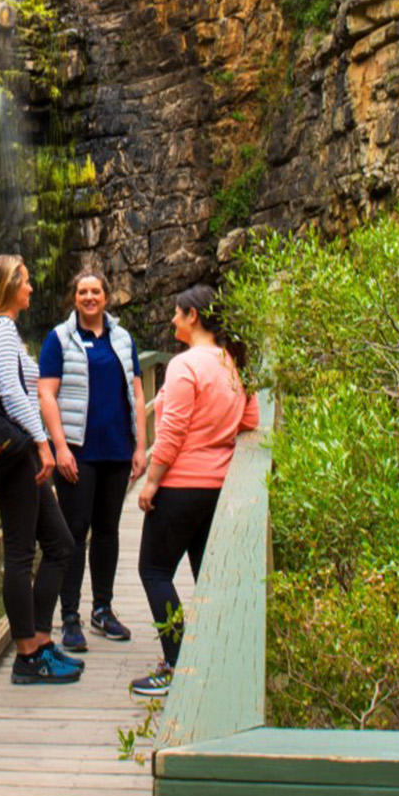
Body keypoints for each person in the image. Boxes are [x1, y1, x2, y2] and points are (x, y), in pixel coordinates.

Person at [129, 284, 257, 698]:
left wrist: (151, 483)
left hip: (181, 484)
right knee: (206, 575)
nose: (171, 321)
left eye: (177, 314)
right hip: (217, 486)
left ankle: (176, 664)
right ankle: (219, 663)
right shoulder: (230, 363)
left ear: (193, 317)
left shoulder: (185, 367)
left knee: (153, 571)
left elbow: (172, 433)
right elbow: (250, 418)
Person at [0, 253, 84, 685]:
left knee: (59, 544)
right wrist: (44, 444)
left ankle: (40, 642)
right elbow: (15, 396)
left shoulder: (1, 330)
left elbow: (31, 381)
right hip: (17, 455)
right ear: (8, 286)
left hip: (20, 455)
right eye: (26, 282)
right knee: (20, 554)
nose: (32, 289)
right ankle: (27, 657)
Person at [36, 270, 146, 653]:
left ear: (106, 296)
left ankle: (103, 608)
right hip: (78, 455)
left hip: (116, 450)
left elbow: (135, 388)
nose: (89, 297)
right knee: (73, 533)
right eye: (82, 291)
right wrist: (60, 447)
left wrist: (141, 446)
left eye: (95, 291)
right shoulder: (59, 339)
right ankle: (70, 617)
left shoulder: (121, 338)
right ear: (74, 298)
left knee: (108, 531)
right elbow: (46, 394)